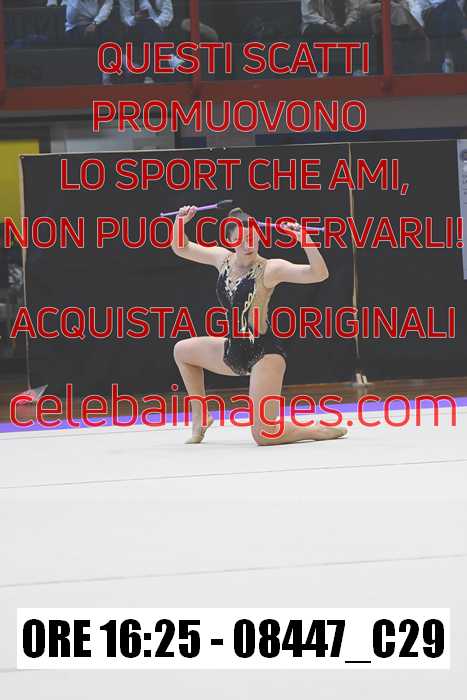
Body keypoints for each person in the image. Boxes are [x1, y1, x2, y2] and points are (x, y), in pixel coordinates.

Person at [171, 205, 348, 447]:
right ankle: (201, 417)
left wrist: (305, 241)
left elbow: (319, 274)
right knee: (182, 351)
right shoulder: (222, 259)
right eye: (242, 238)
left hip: (264, 354)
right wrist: (180, 221)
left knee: (264, 434)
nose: (249, 243)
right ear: (230, 240)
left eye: (253, 237)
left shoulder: (270, 268)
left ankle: (315, 429)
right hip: (233, 349)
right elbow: (181, 247)